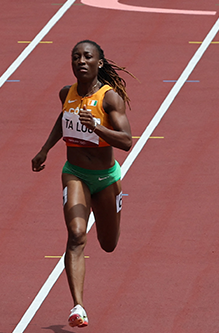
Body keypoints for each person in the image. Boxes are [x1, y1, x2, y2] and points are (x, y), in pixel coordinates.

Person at [31, 40, 134, 327]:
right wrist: (45, 149)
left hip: (106, 179)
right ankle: (78, 307)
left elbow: (127, 141)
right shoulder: (67, 94)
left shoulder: (109, 98)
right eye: (76, 57)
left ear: (99, 63)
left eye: (88, 57)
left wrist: (97, 127)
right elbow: (63, 117)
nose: (81, 61)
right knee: (76, 235)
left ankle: (110, 216)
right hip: (74, 173)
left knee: (108, 244)